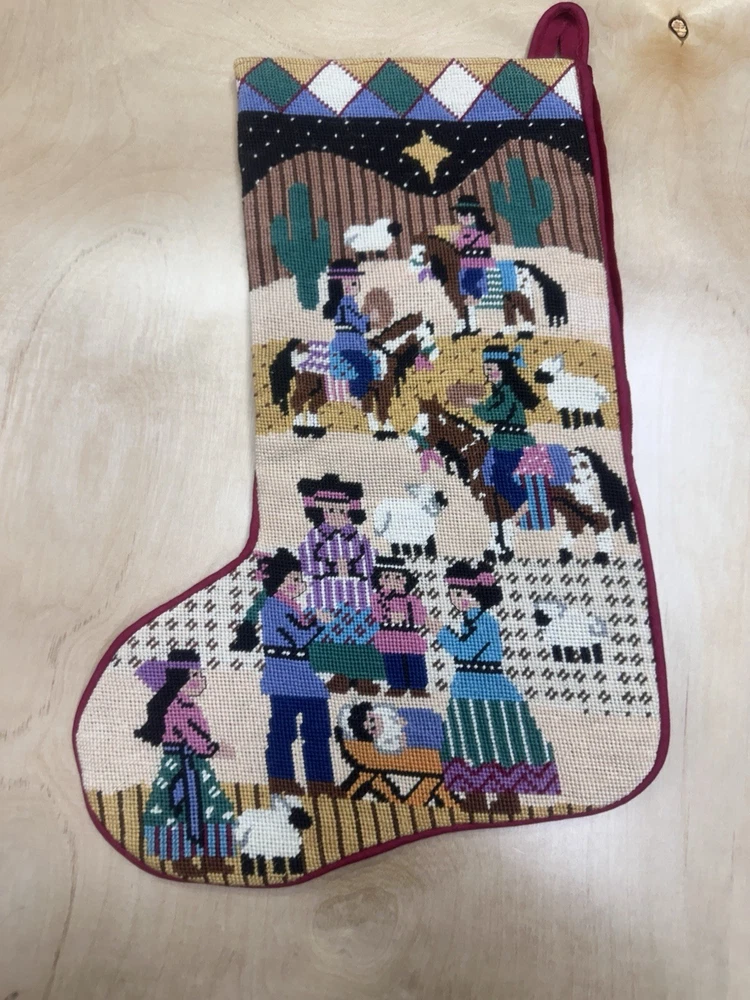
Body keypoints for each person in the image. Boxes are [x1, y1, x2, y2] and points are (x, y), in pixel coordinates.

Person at [436, 559, 560, 816]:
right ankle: (475, 796)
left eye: (463, 594)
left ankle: (507, 798)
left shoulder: (485, 622)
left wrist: (441, 632)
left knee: (499, 742)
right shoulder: (469, 620)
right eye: (454, 594)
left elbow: (466, 651)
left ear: (479, 595)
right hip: (466, 686)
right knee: (469, 740)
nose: (458, 600)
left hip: (488, 687)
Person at [134, 649, 235, 879]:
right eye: (194, 675)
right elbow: (194, 738)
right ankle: (183, 861)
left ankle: (212, 860)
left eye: (200, 674)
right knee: (180, 809)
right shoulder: (178, 708)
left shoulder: (187, 705)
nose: (201, 679)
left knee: (209, 809)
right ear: (180, 679)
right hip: (182, 767)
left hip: (193, 766)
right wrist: (215, 749)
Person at [257, 548, 341, 799]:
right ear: (279, 581)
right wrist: (319, 621)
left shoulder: (291, 607)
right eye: (293, 579)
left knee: (317, 730)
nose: (299, 584)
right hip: (283, 678)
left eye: (299, 579)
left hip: (303, 675)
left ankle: (320, 782)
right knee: (283, 731)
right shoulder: (273, 607)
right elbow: (298, 637)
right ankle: (281, 779)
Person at [297, 474, 384, 695]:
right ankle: (339, 675)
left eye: (340, 511)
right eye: (330, 510)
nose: (336, 515)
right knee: (331, 634)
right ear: (320, 511)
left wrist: (353, 568)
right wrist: (332, 566)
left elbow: (369, 562)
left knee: (363, 635)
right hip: (326, 597)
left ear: (349, 511)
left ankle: (364, 677)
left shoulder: (358, 538)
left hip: (358, 599)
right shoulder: (314, 537)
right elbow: (307, 562)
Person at [468, 342, 540, 515]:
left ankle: (522, 502)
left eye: (490, 369)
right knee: (487, 471)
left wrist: (476, 406)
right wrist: (476, 404)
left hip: (512, 442)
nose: (487, 374)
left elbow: (496, 413)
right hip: (500, 441)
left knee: (498, 474)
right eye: (485, 370)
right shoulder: (499, 391)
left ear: (502, 368)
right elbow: (489, 407)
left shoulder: (508, 391)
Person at [371, 555, 435, 697]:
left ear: (405, 579)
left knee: (414, 662)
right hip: (389, 636)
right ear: (379, 580)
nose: (392, 581)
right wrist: (388, 617)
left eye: (397, 577)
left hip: (410, 636)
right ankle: (397, 686)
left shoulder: (411, 600)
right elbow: (375, 614)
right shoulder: (377, 598)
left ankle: (418, 687)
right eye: (386, 577)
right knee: (393, 661)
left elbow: (420, 617)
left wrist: (409, 617)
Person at [323, 259, 376, 399]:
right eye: (352, 283)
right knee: (364, 367)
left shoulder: (346, 303)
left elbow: (356, 319)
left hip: (351, 344)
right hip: (348, 346)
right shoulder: (345, 304)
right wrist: (370, 319)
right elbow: (357, 323)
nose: (355, 285)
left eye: (355, 282)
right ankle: (356, 396)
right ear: (342, 286)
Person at [346, 701, 445, 755]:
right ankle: (439, 741)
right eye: (373, 728)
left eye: (372, 719)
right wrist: (400, 743)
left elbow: (392, 710)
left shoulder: (381, 710)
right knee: (418, 736)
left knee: (416, 715)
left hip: (406, 717)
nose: (376, 724)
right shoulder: (381, 741)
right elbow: (392, 748)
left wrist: (398, 719)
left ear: (371, 712)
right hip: (406, 736)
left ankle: (437, 720)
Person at [450, 193, 495, 307]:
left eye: (468, 213)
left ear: (475, 215)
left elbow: (479, 249)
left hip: (476, 264)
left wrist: (457, 240)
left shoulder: (480, 233)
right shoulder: (461, 232)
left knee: (467, 281)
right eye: (461, 214)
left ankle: (476, 295)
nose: (464, 217)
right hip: (462, 264)